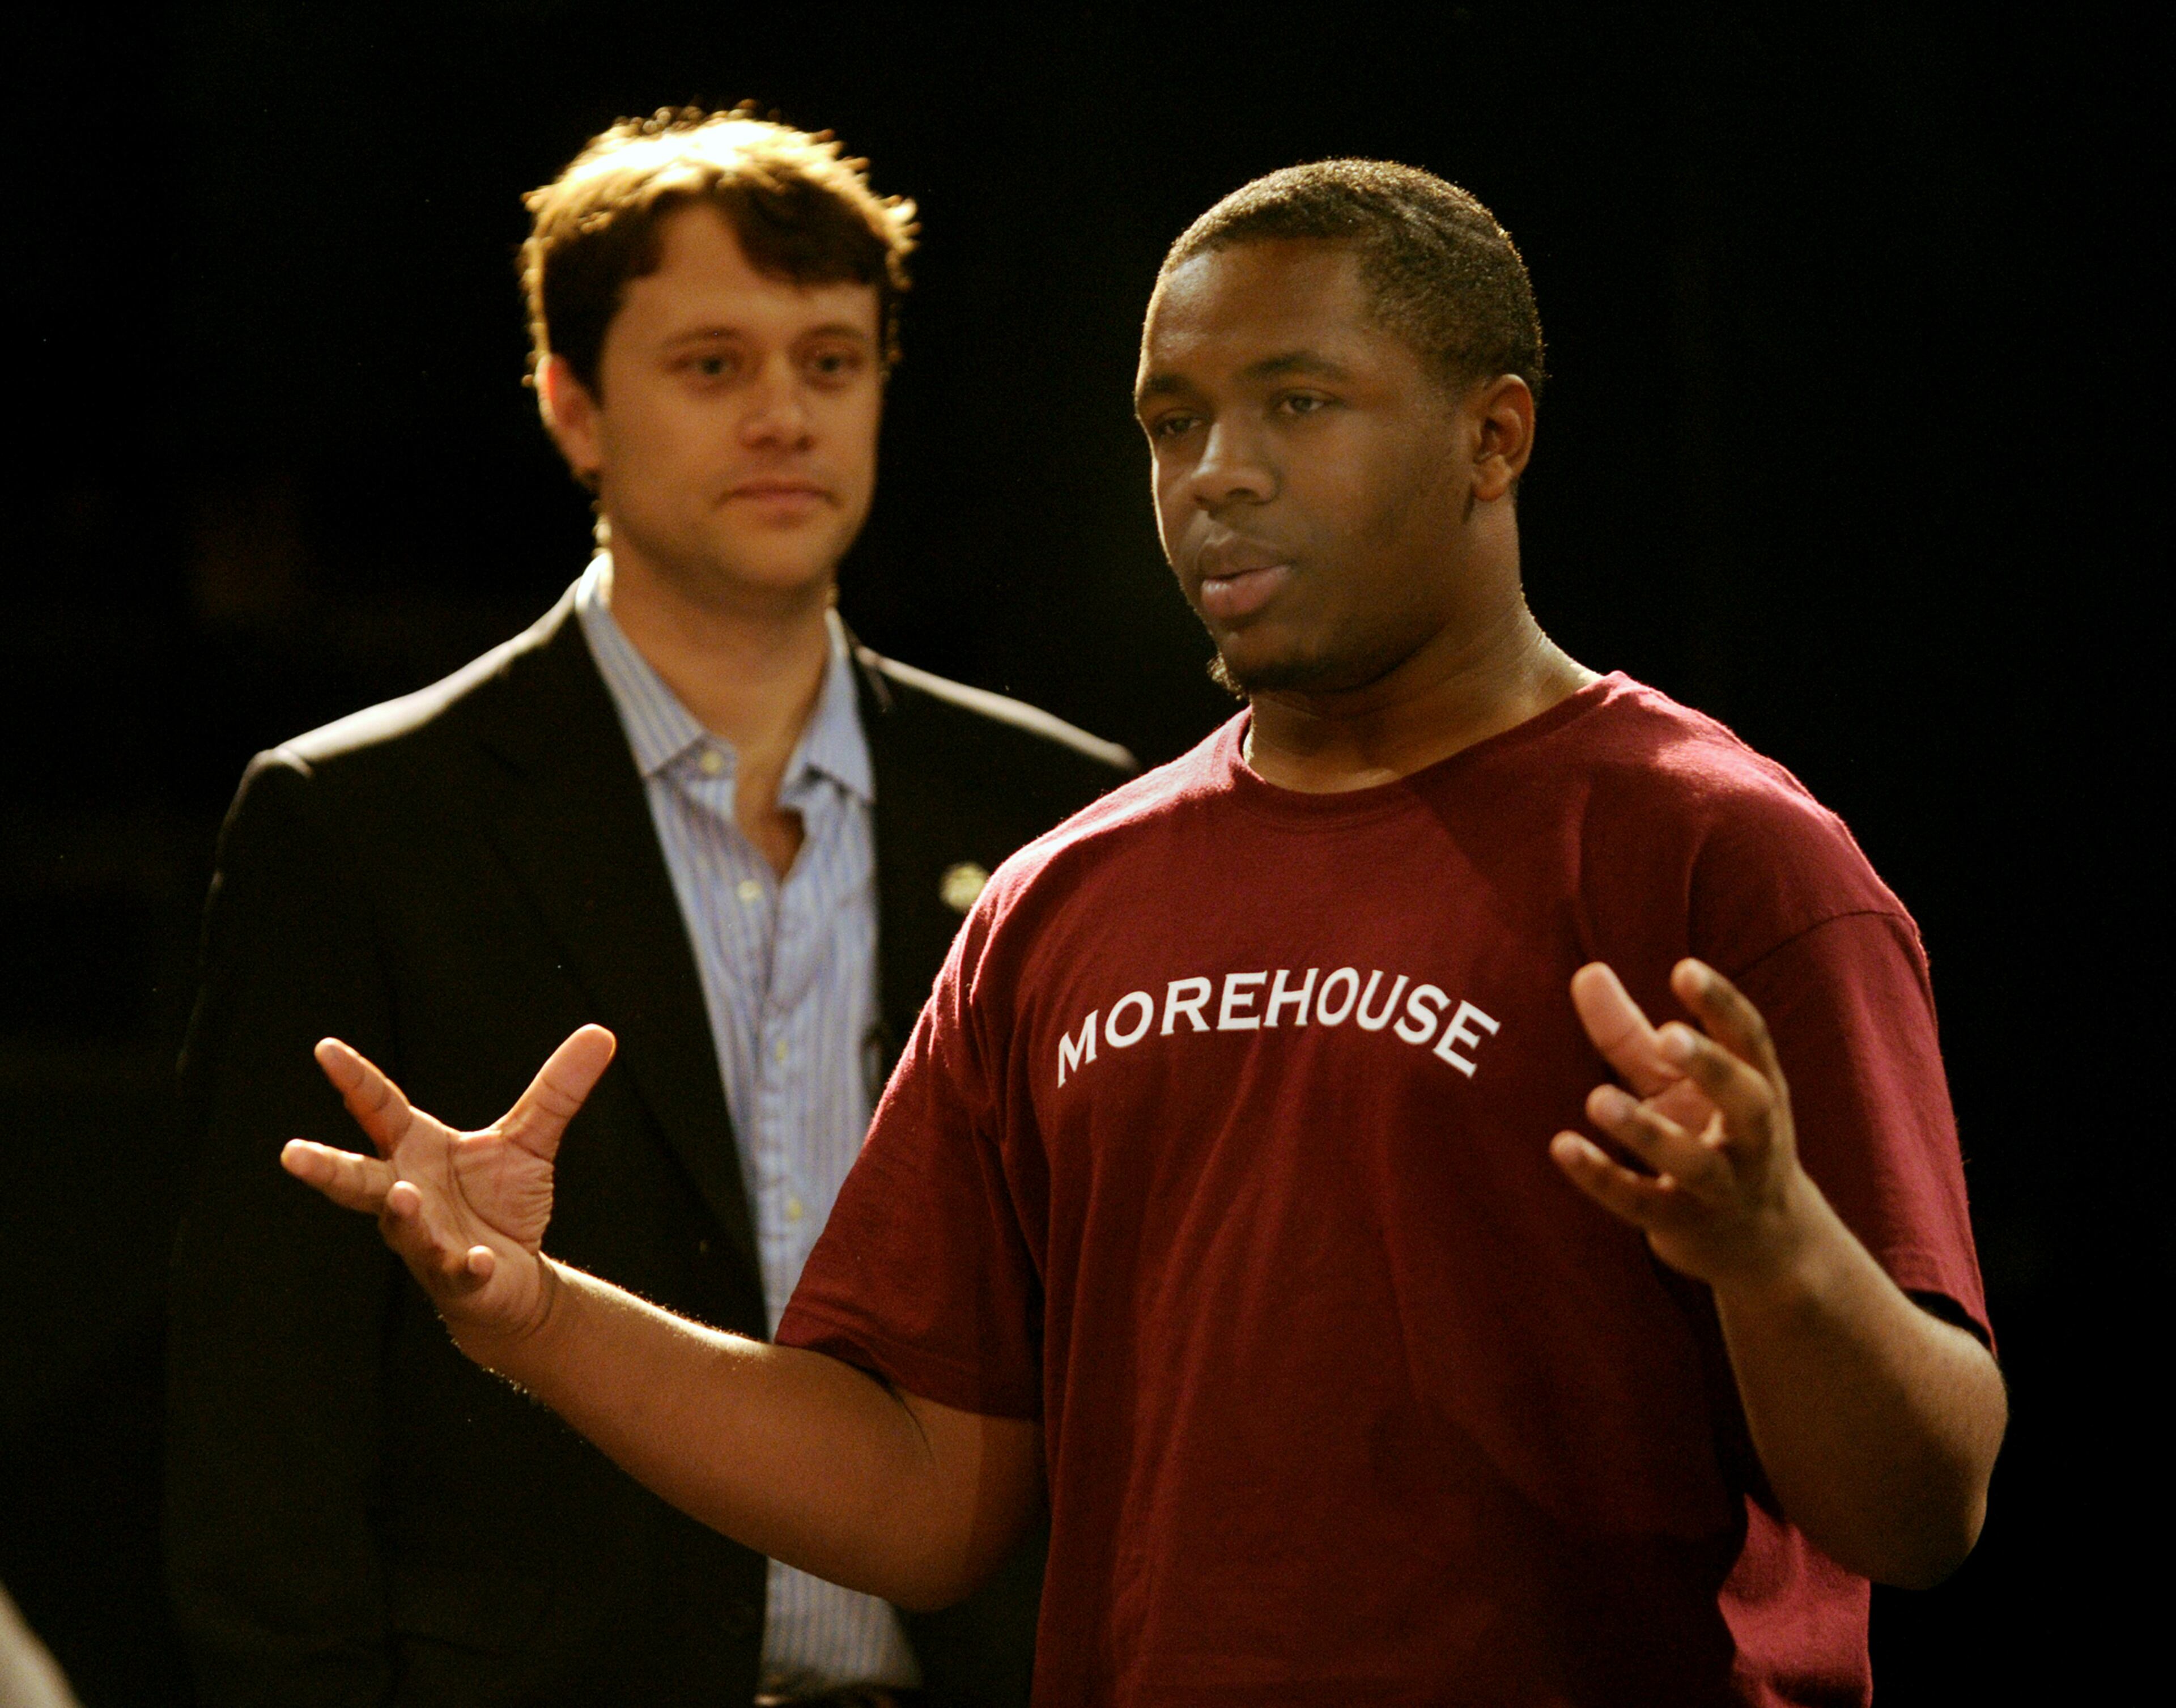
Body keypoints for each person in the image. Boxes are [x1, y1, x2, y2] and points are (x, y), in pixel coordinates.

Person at [280, 161, 2007, 1707]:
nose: (1218, 476)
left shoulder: (1721, 856)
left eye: (1298, 403)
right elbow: (923, 1493)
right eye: (1171, 422)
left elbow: (1923, 1512)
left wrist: (1779, 1251)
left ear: (1495, 435)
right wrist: (533, 1315)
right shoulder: (1069, 898)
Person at [165, 107, 1130, 1707]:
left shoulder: (1062, 807)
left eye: (831, 362)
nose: (784, 416)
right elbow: (263, 1421)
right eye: (711, 365)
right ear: (571, 405)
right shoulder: (356, 821)